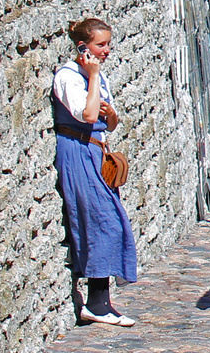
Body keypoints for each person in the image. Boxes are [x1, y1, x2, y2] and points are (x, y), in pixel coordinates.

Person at [52, 17, 137, 327]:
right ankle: (96, 304)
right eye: (101, 45)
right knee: (102, 221)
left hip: (96, 151)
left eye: (108, 45)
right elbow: (87, 114)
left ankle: (101, 301)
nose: (106, 51)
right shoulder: (70, 76)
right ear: (82, 47)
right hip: (77, 151)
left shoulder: (97, 77)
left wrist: (112, 114)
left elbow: (106, 122)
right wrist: (93, 75)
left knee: (110, 220)